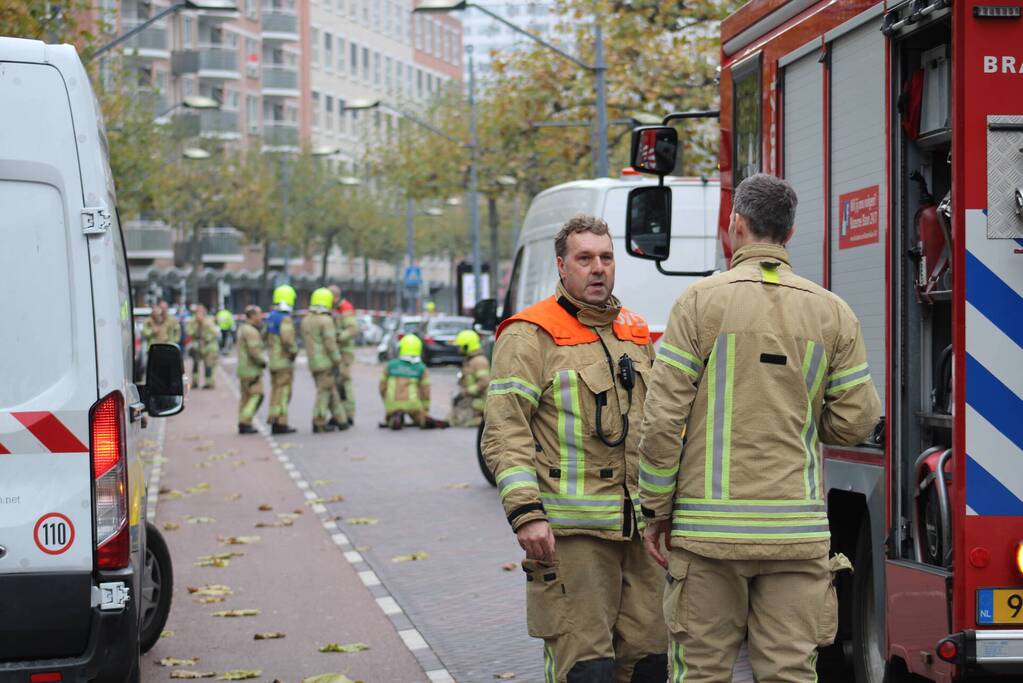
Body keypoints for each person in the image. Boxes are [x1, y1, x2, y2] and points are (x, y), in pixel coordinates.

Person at [638, 174, 882, 683]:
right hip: (796, 537)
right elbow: (858, 419)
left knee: (700, 672)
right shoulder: (832, 313)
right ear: (789, 234)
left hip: (708, 539)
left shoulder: (699, 303)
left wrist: (656, 509)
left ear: (737, 226)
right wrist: (805, 415)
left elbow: (663, 421)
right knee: (791, 672)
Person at [482, 214, 666, 683]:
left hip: (641, 536)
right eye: (585, 258)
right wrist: (527, 513)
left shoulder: (635, 331)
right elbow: (505, 431)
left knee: (651, 666)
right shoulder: (529, 334)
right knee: (588, 671)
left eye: (606, 258)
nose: (598, 268)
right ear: (562, 266)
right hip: (573, 538)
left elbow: (660, 423)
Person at [301, 287, 348, 433]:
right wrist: (337, 360)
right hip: (325, 363)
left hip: (313, 362)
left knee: (330, 390)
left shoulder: (306, 320)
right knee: (324, 393)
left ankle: (342, 420)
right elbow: (330, 343)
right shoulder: (326, 321)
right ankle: (318, 422)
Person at [378, 334, 447, 429]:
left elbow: (382, 387)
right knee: (419, 417)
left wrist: (387, 401)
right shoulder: (421, 368)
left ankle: (395, 417)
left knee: (391, 415)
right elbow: (425, 391)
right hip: (413, 404)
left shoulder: (390, 365)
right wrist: (425, 410)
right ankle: (424, 420)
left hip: (392, 403)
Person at [266, 285, 299, 435]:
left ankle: (274, 419)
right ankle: (281, 423)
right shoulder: (285, 319)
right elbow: (288, 341)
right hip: (283, 362)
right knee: (284, 393)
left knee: (275, 392)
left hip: (273, 361)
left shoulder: (271, 317)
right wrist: (294, 352)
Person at [447, 329, 490, 428]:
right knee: (453, 419)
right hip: (471, 398)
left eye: (461, 346)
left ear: (467, 346)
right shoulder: (470, 361)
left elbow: (484, 382)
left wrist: (465, 392)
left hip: (480, 401)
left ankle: (482, 420)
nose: (459, 349)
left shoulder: (479, 361)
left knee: (462, 422)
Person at [236, 305, 266, 435]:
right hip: (251, 369)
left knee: (245, 398)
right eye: (259, 314)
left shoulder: (242, 328)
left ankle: (243, 422)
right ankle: (245, 421)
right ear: (253, 316)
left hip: (243, 369)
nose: (261, 317)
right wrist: (263, 362)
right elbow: (254, 351)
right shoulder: (251, 331)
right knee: (257, 395)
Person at [185, 304, 220, 389]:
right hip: (197, 345)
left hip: (209, 346)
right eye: (198, 311)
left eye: (202, 311)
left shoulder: (209, 320)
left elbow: (215, 332)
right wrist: (197, 325)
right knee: (195, 364)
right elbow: (188, 332)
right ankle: (195, 382)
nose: (200, 313)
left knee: (209, 365)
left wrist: (204, 324)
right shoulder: (191, 321)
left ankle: (209, 383)